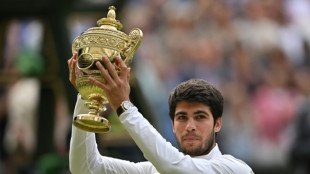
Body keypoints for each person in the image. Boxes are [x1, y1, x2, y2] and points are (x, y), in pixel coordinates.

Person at [68, 53, 254, 174]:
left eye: (200, 117)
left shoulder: (234, 169)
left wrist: (124, 106)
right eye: (182, 117)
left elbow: (174, 167)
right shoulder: (152, 170)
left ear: (218, 124)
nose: (190, 126)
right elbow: (85, 168)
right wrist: (88, 95)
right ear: (172, 124)